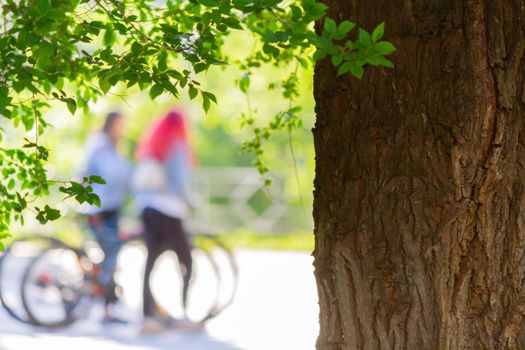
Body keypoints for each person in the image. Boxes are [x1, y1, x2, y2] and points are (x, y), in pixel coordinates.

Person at [134, 109, 198, 333]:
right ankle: (184, 313)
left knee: (151, 261)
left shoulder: (152, 145)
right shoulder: (178, 145)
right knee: (186, 261)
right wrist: (191, 202)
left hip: (148, 208)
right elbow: (180, 181)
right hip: (170, 210)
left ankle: (147, 317)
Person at [80, 111, 131, 324]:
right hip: (99, 209)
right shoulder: (100, 145)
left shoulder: (112, 147)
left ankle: (107, 306)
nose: (123, 130)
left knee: (109, 258)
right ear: (110, 124)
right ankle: (104, 306)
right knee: (109, 258)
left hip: (110, 208)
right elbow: (110, 176)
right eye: (120, 125)